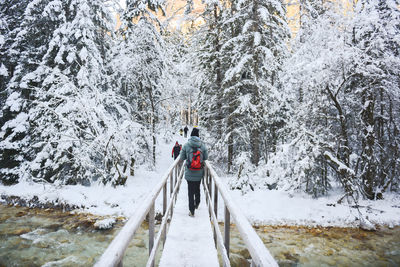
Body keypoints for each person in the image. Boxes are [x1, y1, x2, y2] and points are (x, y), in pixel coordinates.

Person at [179, 128, 208, 217]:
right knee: (197, 187)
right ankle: (197, 202)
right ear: (198, 136)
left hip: (189, 172)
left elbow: (182, 158)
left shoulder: (186, 145)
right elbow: (205, 158)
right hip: (199, 172)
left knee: (190, 191)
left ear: (191, 135)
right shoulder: (202, 146)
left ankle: (191, 210)